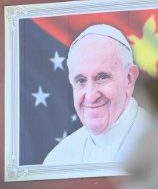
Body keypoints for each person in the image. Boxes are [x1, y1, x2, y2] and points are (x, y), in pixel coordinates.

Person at [44, 24, 149, 166]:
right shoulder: (58, 159)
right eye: (81, 80)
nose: (91, 96)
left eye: (102, 77)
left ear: (129, 78)